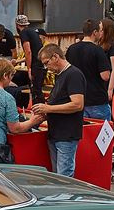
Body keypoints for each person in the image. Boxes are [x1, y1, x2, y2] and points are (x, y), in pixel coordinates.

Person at [31, 44, 85, 178]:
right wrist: (46, 110)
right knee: (59, 176)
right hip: (57, 133)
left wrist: (48, 108)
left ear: (55, 57)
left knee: (64, 176)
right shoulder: (61, 75)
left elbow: (78, 104)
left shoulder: (73, 74)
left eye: (46, 63)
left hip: (66, 134)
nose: (46, 67)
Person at [65, 19, 112, 121]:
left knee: (81, 129)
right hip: (96, 98)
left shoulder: (71, 49)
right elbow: (105, 76)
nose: (101, 33)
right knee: (101, 129)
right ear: (94, 32)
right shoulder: (97, 50)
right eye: (100, 30)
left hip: (76, 97)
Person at [15, 15, 45, 104]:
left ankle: (39, 109)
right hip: (41, 64)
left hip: (35, 65)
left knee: (35, 91)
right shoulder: (33, 32)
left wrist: (29, 68)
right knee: (38, 90)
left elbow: (28, 52)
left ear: (17, 25)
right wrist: (18, 61)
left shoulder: (23, 33)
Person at [98, 18, 114, 108]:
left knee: (106, 106)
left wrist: (110, 89)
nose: (99, 32)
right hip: (100, 80)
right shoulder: (99, 45)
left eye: (101, 30)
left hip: (108, 81)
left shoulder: (113, 46)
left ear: (106, 31)